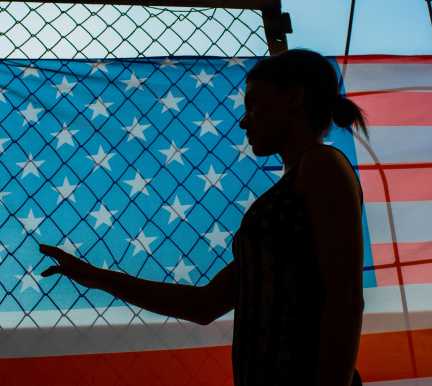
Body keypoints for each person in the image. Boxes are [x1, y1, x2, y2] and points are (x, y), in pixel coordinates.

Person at [40, 48, 368, 386]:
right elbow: (204, 304)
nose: (244, 120)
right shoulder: (296, 189)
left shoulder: (321, 167)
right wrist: (96, 277)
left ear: (295, 99)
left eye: (254, 105)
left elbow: (345, 298)